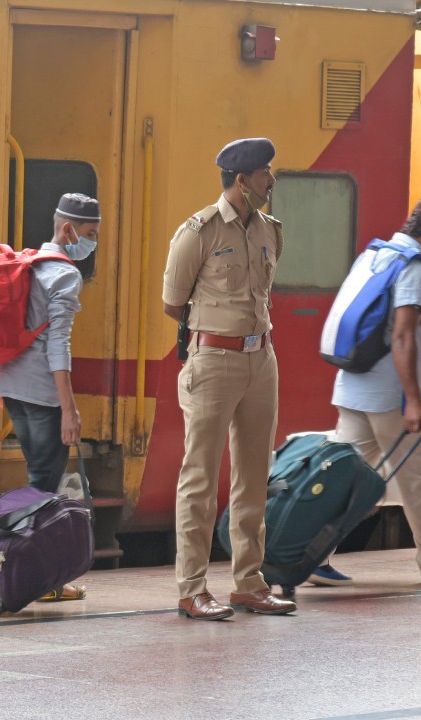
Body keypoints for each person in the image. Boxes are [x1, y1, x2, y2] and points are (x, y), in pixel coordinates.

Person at [161, 137, 295, 620]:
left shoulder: (269, 231)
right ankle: (191, 587)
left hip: (262, 360)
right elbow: (173, 303)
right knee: (199, 477)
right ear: (242, 181)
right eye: (264, 174)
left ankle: (249, 583)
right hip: (213, 359)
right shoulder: (197, 232)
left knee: (254, 475)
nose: (271, 181)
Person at [317, 196, 421, 587]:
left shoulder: (374, 254)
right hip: (389, 398)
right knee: (417, 479)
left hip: (353, 387)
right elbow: (405, 335)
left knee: (347, 481)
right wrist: (412, 400)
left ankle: (312, 555)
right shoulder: (415, 268)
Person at [0, 193, 99, 602]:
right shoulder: (65, 276)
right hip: (43, 396)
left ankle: (29, 572)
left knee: (36, 483)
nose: (92, 242)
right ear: (68, 229)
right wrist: (69, 408)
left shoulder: (25, 265)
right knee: (42, 489)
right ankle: (32, 576)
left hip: (12, 390)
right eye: (90, 234)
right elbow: (58, 345)